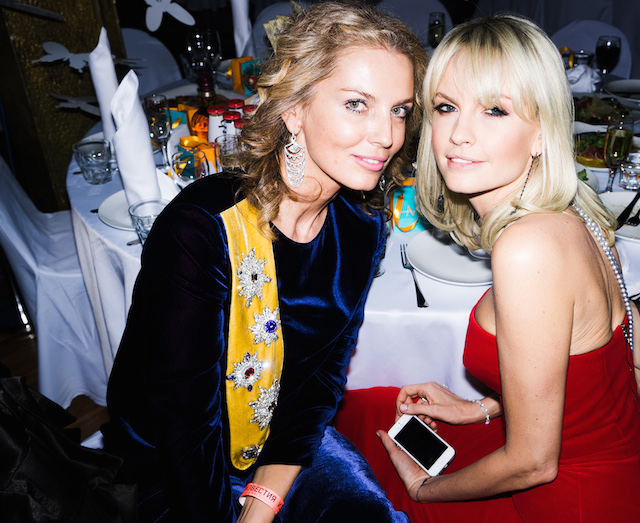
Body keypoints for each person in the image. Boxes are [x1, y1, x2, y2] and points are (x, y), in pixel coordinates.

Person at [102, 2, 427, 521]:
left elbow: (320, 383)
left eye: (399, 110)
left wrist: (263, 500)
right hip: (172, 467)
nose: (387, 135)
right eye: (357, 104)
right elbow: (185, 426)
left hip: (283, 448)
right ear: (293, 110)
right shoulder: (202, 230)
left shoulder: (361, 225)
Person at [373, 14, 640, 521]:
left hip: (569, 500)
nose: (459, 134)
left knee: (369, 462)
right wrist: (481, 407)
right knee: (374, 411)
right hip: (603, 463)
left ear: (541, 133)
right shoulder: (570, 210)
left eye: (494, 110)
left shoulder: (526, 249)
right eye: (446, 107)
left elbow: (533, 463)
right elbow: (581, 371)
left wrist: (425, 490)